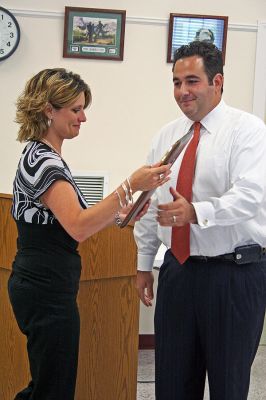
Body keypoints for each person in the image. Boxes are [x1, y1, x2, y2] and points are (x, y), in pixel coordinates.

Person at [8, 67, 171, 400]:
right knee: (52, 388)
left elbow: (73, 220)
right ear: (48, 110)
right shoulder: (44, 162)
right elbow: (78, 227)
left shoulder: (43, 156)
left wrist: (120, 214)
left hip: (45, 283)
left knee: (48, 383)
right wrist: (130, 185)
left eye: (84, 109)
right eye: (76, 109)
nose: (83, 118)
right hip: (44, 288)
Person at [134, 41, 266, 400]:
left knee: (228, 386)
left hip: (234, 277)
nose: (182, 91)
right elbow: (150, 203)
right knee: (173, 385)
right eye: (176, 82)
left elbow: (250, 197)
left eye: (191, 81)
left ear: (217, 81)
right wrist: (144, 264)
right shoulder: (166, 135)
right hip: (178, 274)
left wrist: (195, 212)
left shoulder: (248, 131)